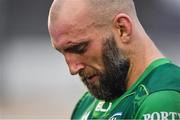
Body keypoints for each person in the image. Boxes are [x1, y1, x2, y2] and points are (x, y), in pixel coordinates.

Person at [48, 0, 180, 119]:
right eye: (63, 53)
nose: (72, 69)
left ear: (122, 29)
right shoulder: (86, 104)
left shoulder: (161, 98)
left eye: (79, 48)